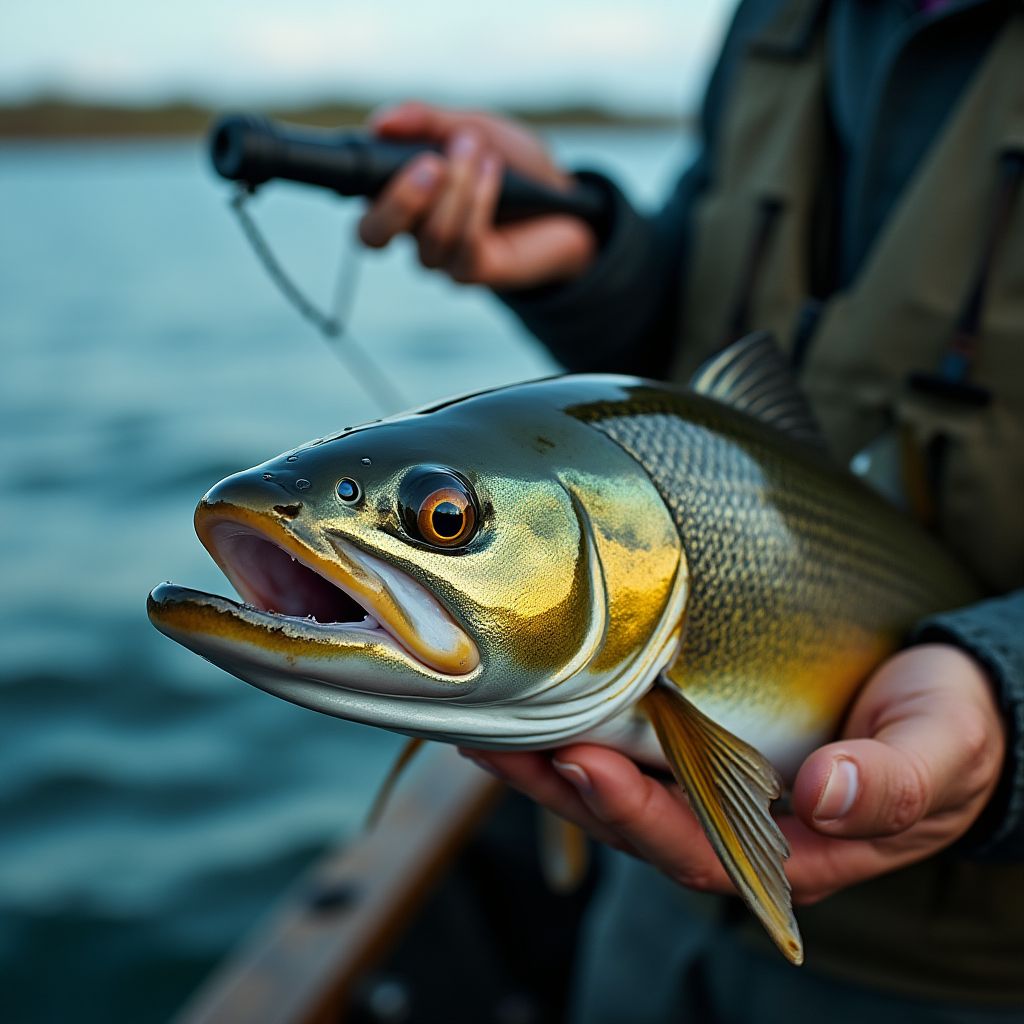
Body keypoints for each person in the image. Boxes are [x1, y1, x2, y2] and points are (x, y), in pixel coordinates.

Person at [357, 0, 1024, 1019]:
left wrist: (1004, 691)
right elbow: (699, 354)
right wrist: (595, 258)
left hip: (956, 977)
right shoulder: (772, 17)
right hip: (649, 926)